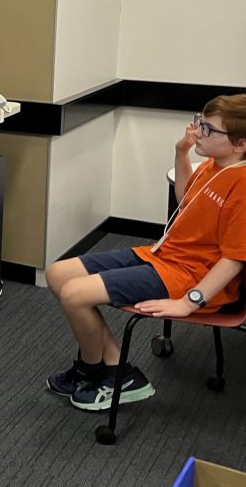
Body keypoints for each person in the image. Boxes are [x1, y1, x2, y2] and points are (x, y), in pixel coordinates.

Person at [44, 94, 246, 411]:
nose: (197, 131)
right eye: (200, 122)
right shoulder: (215, 165)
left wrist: (188, 302)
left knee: (74, 294)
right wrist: (181, 152)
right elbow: (186, 200)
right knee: (57, 273)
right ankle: (115, 370)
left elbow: (233, 260)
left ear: (240, 144)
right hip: (165, 256)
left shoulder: (241, 185)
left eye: (208, 129)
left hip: (191, 276)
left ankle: (95, 370)